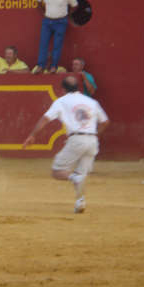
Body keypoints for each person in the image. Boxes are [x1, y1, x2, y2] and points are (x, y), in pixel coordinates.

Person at [23, 76, 110, 213]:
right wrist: (94, 135)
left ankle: (74, 178)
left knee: (58, 171)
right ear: (78, 88)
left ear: (63, 89)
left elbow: (45, 119)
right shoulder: (91, 101)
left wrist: (33, 135)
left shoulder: (61, 101)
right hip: (92, 141)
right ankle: (80, 202)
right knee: (81, 174)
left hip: (76, 139)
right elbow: (105, 122)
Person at [32, 0, 78, 74]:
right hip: (47, 21)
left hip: (60, 22)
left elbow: (74, 5)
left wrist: (67, 14)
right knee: (43, 44)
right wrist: (43, 12)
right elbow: (38, 1)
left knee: (57, 45)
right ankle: (41, 65)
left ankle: (54, 66)